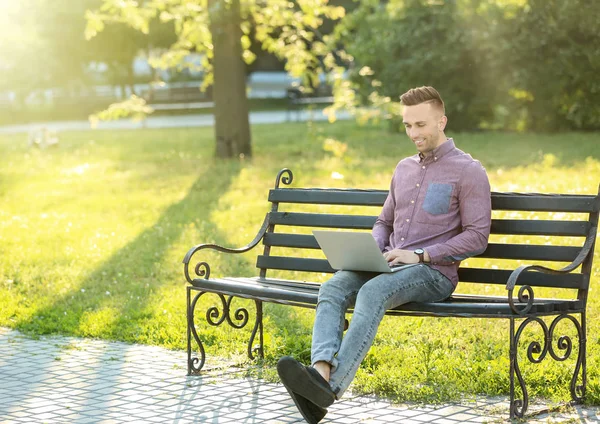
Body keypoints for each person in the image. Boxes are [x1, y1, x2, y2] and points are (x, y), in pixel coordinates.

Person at [277, 86, 492, 423]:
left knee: (372, 291)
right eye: (408, 126)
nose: (413, 133)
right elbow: (384, 221)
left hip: (434, 273)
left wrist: (420, 255)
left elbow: (478, 237)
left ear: (442, 121)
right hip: (389, 266)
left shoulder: (468, 171)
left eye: (420, 125)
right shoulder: (403, 168)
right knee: (334, 286)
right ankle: (318, 376)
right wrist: (373, 248)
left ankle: (331, 389)